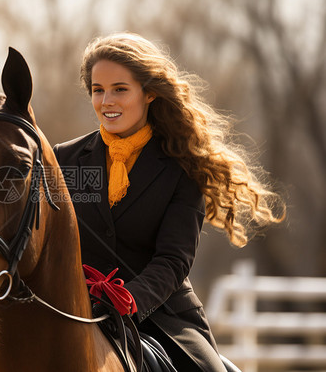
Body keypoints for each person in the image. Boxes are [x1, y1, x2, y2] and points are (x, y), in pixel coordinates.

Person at [53, 32, 285, 371]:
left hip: (159, 315)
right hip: (72, 309)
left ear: (148, 93)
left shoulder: (182, 164)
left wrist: (127, 300)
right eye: (97, 90)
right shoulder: (63, 159)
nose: (106, 102)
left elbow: (173, 260)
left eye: (120, 89)